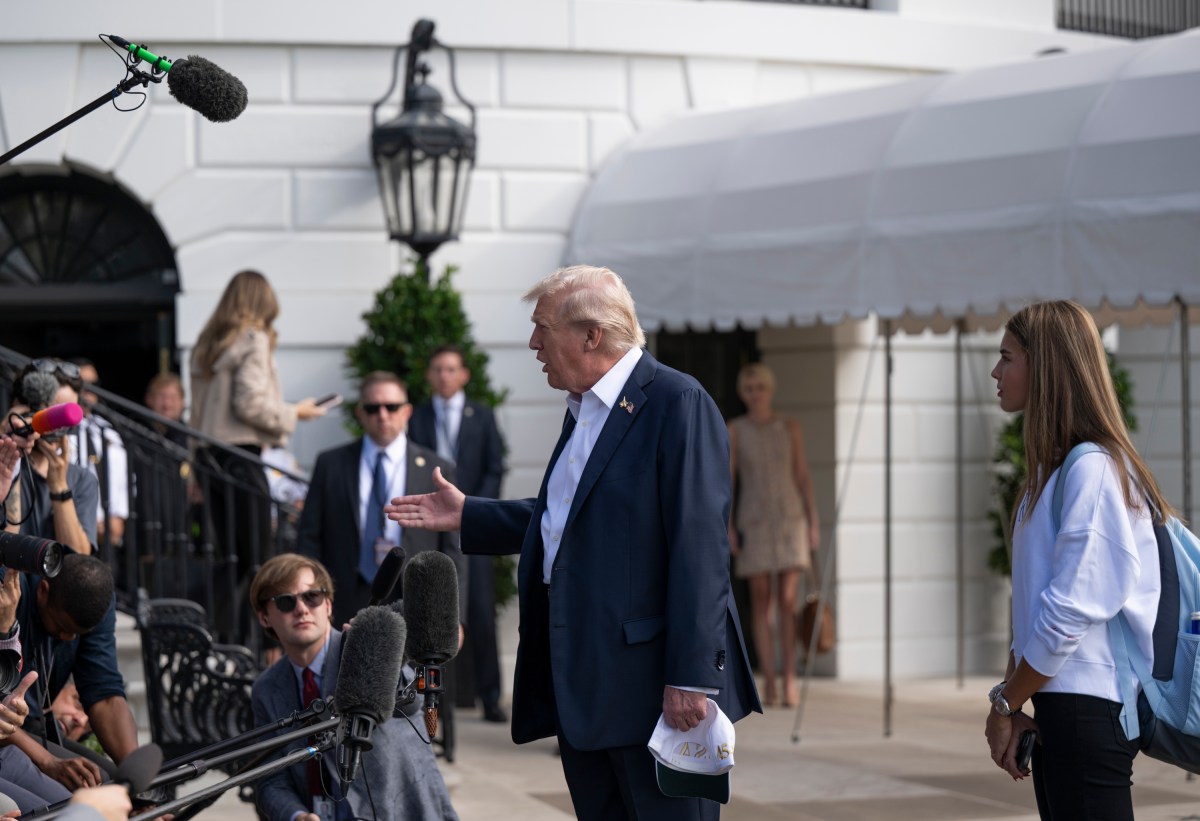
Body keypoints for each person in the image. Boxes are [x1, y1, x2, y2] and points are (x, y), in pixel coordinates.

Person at [387, 265, 760, 821]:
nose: (534, 343)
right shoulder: (583, 409)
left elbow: (700, 551)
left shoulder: (677, 403)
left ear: (592, 335)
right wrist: (471, 514)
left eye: (543, 327)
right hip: (586, 691)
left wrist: (691, 679)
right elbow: (573, 517)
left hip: (655, 698)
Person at [983, 300, 1170, 820]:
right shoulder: (1050, 475)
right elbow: (1034, 609)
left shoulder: (1091, 469)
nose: (996, 372)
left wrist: (1005, 703)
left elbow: (1068, 611)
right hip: (1058, 706)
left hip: (1089, 710)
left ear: (1043, 367)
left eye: (1007, 357)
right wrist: (1015, 700)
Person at [249, 553, 459, 821]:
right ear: (265, 617)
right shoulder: (266, 689)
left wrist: (380, 653)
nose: (301, 609)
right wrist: (297, 815)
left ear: (328, 604)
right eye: (286, 601)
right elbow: (270, 780)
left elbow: (411, 703)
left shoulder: (361, 647)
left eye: (311, 596)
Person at [189, 270, 326, 635]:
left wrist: (194, 462)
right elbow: (250, 403)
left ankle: (221, 634)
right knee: (258, 558)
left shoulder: (210, 342)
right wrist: (296, 411)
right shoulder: (252, 339)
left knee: (232, 557)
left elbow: (197, 413)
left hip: (210, 456)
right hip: (240, 456)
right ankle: (259, 638)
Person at [297, 372, 466, 628]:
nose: (383, 414)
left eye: (392, 406)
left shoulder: (436, 468)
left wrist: (456, 619)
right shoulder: (330, 464)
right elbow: (309, 536)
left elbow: (454, 550)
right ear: (360, 413)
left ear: (407, 411)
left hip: (415, 597)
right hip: (345, 595)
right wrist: (310, 598)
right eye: (373, 407)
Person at [409, 345, 508, 723]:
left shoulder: (481, 415)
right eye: (437, 369)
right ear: (429, 375)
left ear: (464, 374)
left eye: (451, 369)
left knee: (480, 611)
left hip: (472, 526)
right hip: (432, 526)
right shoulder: (415, 416)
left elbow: (494, 467)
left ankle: (491, 697)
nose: (445, 375)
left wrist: (477, 512)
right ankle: (425, 701)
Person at [726, 362, 820, 708]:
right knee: (762, 603)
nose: (755, 394)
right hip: (755, 521)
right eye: (749, 389)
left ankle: (790, 678)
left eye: (760, 387)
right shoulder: (735, 430)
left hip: (790, 520)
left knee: (787, 602)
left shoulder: (789, 427)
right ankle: (768, 680)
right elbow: (729, 481)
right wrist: (729, 525)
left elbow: (803, 476)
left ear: (770, 389)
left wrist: (812, 522)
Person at [8, 553, 139, 793]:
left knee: (112, 784)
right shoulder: (11, 593)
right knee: (83, 798)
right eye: (62, 628)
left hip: (28, 728)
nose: (68, 638)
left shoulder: (94, 599)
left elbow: (105, 695)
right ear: (43, 591)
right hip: (6, 732)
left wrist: (138, 781)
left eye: (78, 634)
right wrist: (48, 762)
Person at [3, 361, 97, 557]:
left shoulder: (82, 479)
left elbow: (79, 562)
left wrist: (59, 487)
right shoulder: (6, 466)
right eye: (52, 411)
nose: (57, 426)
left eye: (66, 414)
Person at [67, 360, 129, 551]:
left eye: (94, 385)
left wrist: (117, 518)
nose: (88, 392)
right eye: (82, 385)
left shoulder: (109, 431)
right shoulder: (57, 432)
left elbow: (122, 481)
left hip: (108, 538)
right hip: (71, 533)